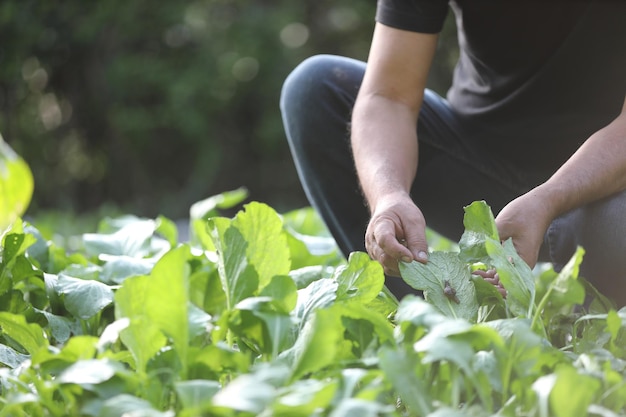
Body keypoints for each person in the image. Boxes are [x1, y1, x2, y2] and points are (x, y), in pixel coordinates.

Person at [280, 0, 626, 305]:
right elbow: (388, 97)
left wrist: (549, 200)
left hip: (604, 188)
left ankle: (581, 317)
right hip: (476, 166)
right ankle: (424, 319)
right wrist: (389, 194)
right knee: (314, 89)